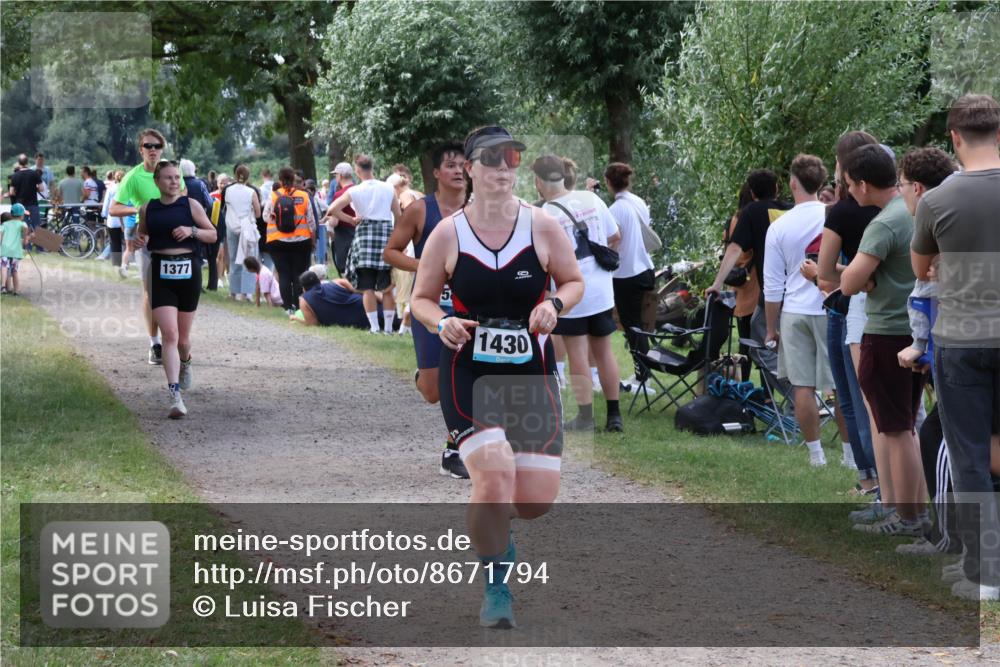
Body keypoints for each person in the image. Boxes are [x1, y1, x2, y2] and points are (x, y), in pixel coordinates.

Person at [411, 125, 584, 629]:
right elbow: (420, 298)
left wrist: (554, 304)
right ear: (470, 167)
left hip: (530, 373)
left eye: (511, 159)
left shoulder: (543, 225)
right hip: (469, 374)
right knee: (492, 477)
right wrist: (439, 320)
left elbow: (573, 281)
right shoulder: (448, 233)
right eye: (492, 159)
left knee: (532, 501)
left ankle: (499, 540)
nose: (504, 168)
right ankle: (496, 587)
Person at [911, 94, 1000, 600]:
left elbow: (922, 270)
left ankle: (985, 571)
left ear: (955, 138)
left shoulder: (937, 200)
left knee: (969, 454)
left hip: (963, 337)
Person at [842, 143, 928, 537]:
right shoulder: (912, 212)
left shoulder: (883, 223)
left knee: (895, 431)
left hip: (886, 333)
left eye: (847, 184)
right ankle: (914, 512)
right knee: (906, 425)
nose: (848, 192)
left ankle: (907, 516)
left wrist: (859, 277)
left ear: (861, 184)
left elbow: (848, 282)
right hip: (915, 331)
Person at [383, 141, 470, 479]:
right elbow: (391, 252)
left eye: (463, 165)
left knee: (466, 380)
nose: (458, 170)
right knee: (434, 392)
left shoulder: (478, 210)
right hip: (430, 306)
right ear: (436, 173)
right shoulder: (421, 210)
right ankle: (424, 377)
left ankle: (454, 448)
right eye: (450, 165)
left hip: (467, 307)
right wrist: (427, 264)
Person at [804, 131, 882, 500]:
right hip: (887, 307)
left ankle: (871, 479)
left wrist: (826, 274)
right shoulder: (893, 206)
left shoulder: (842, 210)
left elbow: (826, 274)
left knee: (852, 397)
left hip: (850, 307)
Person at [533, 154, 624, 433]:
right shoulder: (591, 199)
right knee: (604, 351)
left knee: (577, 354)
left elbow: (542, 259)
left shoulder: (545, 213)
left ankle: (585, 418)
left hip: (569, 292)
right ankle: (614, 416)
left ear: (539, 181)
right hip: (601, 290)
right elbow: (615, 236)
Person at [762, 154, 833, 466]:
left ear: (792, 183)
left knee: (802, 385)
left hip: (794, 309)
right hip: (831, 306)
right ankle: (848, 454)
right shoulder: (833, 215)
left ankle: (816, 453)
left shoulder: (779, 226)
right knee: (841, 386)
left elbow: (773, 285)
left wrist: (770, 327)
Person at [134, 160, 216, 418]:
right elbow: (143, 233)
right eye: (168, 177)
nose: (173, 182)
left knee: (182, 339)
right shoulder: (148, 208)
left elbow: (212, 234)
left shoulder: (190, 205)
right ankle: (175, 396)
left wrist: (191, 230)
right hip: (160, 272)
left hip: (188, 271)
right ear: (157, 181)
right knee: (169, 334)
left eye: (176, 177)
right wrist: (139, 239)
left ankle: (186, 361)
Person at [707, 169, 791, 389]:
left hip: (770, 291)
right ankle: (785, 393)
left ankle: (786, 394)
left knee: (760, 343)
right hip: (796, 288)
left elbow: (735, 249)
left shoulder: (751, 211)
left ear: (752, 192)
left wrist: (717, 283)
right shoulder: (790, 210)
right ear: (776, 189)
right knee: (784, 342)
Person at [110, 128, 186, 365]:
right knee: (151, 292)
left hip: (174, 238)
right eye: (147, 146)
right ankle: (154, 343)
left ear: (162, 148)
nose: (152, 150)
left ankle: (177, 342)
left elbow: (183, 194)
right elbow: (114, 208)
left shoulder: (172, 172)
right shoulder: (133, 177)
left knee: (178, 291)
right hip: (147, 239)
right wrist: (141, 209)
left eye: (156, 146)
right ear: (141, 149)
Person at [328, 154, 400, 333]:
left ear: (357, 170)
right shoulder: (388, 187)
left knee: (367, 287)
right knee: (387, 288)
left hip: (364, 238)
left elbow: (332, 209)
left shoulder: (355, 190)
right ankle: (389, 328)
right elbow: (399, 217)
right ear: (372, 167)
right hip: (385, 237)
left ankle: (375, 328)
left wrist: (351, 219)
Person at [605, 162, 657, 393]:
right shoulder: (638, 202)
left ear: (608, 183)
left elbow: (614, 239)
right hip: (645, 268)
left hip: (626, 273)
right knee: (639, 324)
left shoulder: (616, 209)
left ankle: (642, 376)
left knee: (632, 326)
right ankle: (643, 373)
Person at [262, 166, 316, 312]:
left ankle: (287, 307)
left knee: (284, 273)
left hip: (277, 242)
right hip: (301, 242)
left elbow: (265, 216)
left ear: (279, 180)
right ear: (293, 180)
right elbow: (311, 221)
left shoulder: (274, 195)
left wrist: (274, 217)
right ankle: (298, 305)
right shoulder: (303, 195)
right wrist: (312, 240)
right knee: (298, 274)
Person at [223, 165, 263, 301]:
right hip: (246, 228)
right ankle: (247, 293)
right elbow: (258, 213)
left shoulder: (227, 190)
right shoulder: (251, 192)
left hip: (231, 226)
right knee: (249, 258)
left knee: (234, 258)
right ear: (248, 176)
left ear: (235, 175)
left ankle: (234, 292)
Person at [294, 270, 374, 328]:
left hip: (358, 323)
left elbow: (313, 324)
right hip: (372, 311)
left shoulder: (304, 301)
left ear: (303, 288)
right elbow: (365, 291)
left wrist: (295, 318)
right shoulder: (337, 282)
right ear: (319, 280)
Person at [325, 162, 356, 275]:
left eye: (336, 175)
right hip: (359, 231)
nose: (335, 177)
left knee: (345, 269)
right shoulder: (359, 190)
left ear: (341, 176)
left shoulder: (339, 194)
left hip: (344, 235)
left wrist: (327, 220)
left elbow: (334, 221)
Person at [1, 204, 32, 295]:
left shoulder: (5, 224)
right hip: (16, 251)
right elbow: (25, 228)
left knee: (4, 267)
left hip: (5, 250)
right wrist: (26, 238)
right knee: (15, 271)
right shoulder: (22, 224)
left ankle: (3, 287)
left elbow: (0, 233)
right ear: (22, 215)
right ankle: (16, 290)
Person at [8, 154, 43, 233]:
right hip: (33, 204)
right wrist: (34, 189)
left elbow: (11, 192)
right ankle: (39, 245)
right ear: (27, 162)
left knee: (24, 228)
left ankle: (27, 245)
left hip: (20, 207)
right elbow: (41, 188)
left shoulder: (15, 176)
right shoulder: (34, 173)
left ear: (19, 163)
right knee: (37, 227)